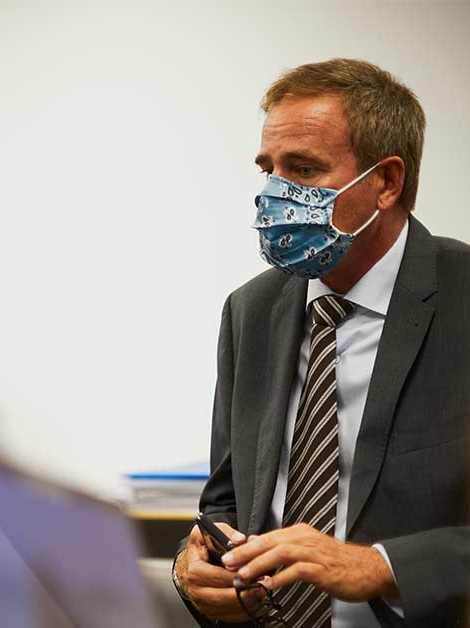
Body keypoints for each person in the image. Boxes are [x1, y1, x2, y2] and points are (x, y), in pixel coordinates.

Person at [172, 58, 468, 627]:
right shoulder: (250, 310)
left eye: (303, 169)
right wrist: (194, 570)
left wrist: (380, 566)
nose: (276, 193)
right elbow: (227, 501)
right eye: (269, 169)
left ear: (386, 182)